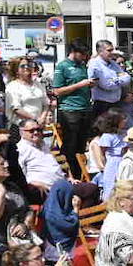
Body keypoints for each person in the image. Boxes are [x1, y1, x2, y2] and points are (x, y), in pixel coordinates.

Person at [52, 41, 94, 178]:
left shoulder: (82, 66)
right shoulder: (62, 66)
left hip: (85, 109)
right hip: (70, 110)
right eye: (82, 54)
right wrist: (79, 85)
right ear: (74, 52)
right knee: (70, 144)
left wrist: (89, 85)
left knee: (82, 144)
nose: (84, 57)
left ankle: (81, 172)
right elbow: (57, 91)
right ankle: (71, 174)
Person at [87, 108, 128, 200]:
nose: (125, 121)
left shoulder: (122, 134)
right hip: (113, 163)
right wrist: (105, 167)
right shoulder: (107, 136)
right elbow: (102, 154)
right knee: (111, 184)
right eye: (123, 119)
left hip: (123, 161)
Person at [88, 39, 131, 118]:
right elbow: (107, 85)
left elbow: (127, 78)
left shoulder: (113, 64)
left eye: (112, 50)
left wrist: (116, 81)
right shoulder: (95, 65)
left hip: (116, 103)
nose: (112, 53)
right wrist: (120, 80)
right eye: (109, 50)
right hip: (102, 105)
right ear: (100, 51)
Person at [4, 57, 49, 129]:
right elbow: (16, 108)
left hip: (39, 125)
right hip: (21, 126)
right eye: (23, 66)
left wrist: (42, 118)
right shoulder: (12, 86)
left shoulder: (38, 84)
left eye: (29, 65)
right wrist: (35, 119)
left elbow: (45, 104)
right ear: (16, 70)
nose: (26, 67)